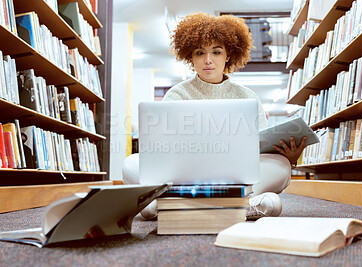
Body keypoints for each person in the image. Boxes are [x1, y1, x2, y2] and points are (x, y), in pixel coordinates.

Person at [122, 12, 306, 220]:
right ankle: (241, 206)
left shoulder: (247, 97)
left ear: (228, 55)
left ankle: (172, 205)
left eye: (216, 52)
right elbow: (160, 151)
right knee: (130, 164)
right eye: (200, 52)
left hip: (235, 179)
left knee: (280, 167)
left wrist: (287, 158)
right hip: (185, 178)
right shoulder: (176, 95)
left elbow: (260, 150)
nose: (208, 60)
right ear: (190, 57)